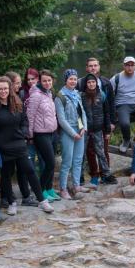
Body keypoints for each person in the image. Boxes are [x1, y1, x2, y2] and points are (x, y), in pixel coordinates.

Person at [0, 77, 54, 216]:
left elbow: (24, 121)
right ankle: (11, 203)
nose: (3, 91)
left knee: (30, 170)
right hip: (4, 146)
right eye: (0, 89)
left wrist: (23, 133)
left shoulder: (17, 103)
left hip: (19, 143)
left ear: (10, 89)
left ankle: (42, 200)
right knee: (6, 174)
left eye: (5, 88)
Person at [26, 70, 61, 202]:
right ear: (40, 81)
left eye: (49, 80)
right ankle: (40, 190)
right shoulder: (36, 95)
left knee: (51, 163)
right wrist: (30, 136)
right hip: (41, 134)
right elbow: (30, 116)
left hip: (52, 133)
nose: (47, 83)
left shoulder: (49, 93)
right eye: (44, 80)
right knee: (50, 163)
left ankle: (49, 188)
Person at [55, 69, 89, 199]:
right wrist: (73, 133)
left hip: (80, 129)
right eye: (70, 79)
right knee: (67, 161)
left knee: (78, 159)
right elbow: (61, 119)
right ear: (66, 80)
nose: (73, 81)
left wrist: (84, 127)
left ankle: (76, 185)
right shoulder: (60, 96)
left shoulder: (76, 93)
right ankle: (63, 189)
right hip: (68, 131)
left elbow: (82, 112)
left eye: (75, 79)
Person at [82, 74, 117, 186]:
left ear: (96, 83)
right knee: (82, 153)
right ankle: (80, 176)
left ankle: (106, 175)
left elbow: (106, 112)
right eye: (89, 82)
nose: (91, 84)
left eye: (93, 82)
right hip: (85, 130)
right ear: (86, 84)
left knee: (101, 152)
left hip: (98, 129)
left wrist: (107, 130)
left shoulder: (101, 94)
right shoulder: (82, 96)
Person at [112, 56, 135, 153]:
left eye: (132, 65)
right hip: (122, 103)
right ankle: (126, 140)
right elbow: (110, 94)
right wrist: (113, 108)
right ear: (124, 66)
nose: (130, 67)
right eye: (127, 65)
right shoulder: (116, 78)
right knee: (124, 123)